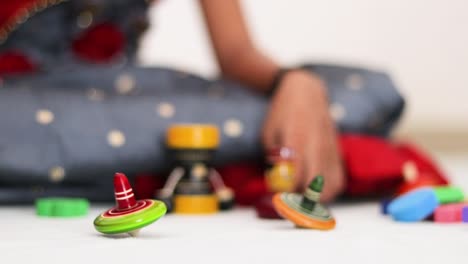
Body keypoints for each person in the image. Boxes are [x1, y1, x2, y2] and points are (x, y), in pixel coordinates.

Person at [0, 0, 403, 203]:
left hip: (118, 103)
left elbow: (238, 55)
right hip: (14, 102)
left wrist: (295, 84)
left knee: (354, 90)